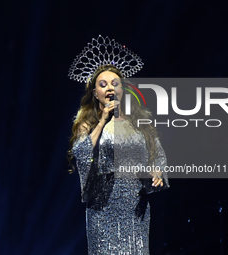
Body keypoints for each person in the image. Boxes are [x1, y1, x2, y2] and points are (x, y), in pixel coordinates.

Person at [68, 36, 169, 254]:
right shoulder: (89, 123)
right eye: (103, 85)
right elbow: (82, 153)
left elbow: (157, 154)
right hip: (103, 209)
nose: (110, 88)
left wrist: (157, 173)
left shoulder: (140, 123)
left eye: (115, 83)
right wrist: (103, 120)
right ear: (95, 93)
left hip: (135, 207)